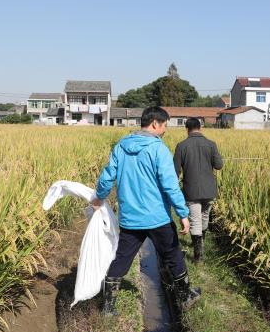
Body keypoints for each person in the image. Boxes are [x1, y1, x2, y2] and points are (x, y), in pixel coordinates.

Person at [92, 106, 201, 316]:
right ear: (155, 124)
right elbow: (170, 184)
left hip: (130, 218)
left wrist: (99, 197)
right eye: (164, 125)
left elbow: (107, 177)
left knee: (122, 258)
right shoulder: (159, 149)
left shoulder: (121, 147)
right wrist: (183, 213)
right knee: (173, 255)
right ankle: (186, 296)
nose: (165, 130)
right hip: (157, 217)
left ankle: (108, 307)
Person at [173, 117, 223, 263]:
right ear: (200, 127)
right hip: (209, 190)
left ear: (187, 129)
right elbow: (219, 165)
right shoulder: (211, 144)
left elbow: (176, 171)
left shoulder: (181, 146)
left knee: (195, 220)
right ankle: (201, 244)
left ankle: (198, 257)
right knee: (205, 217)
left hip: (191, 191)